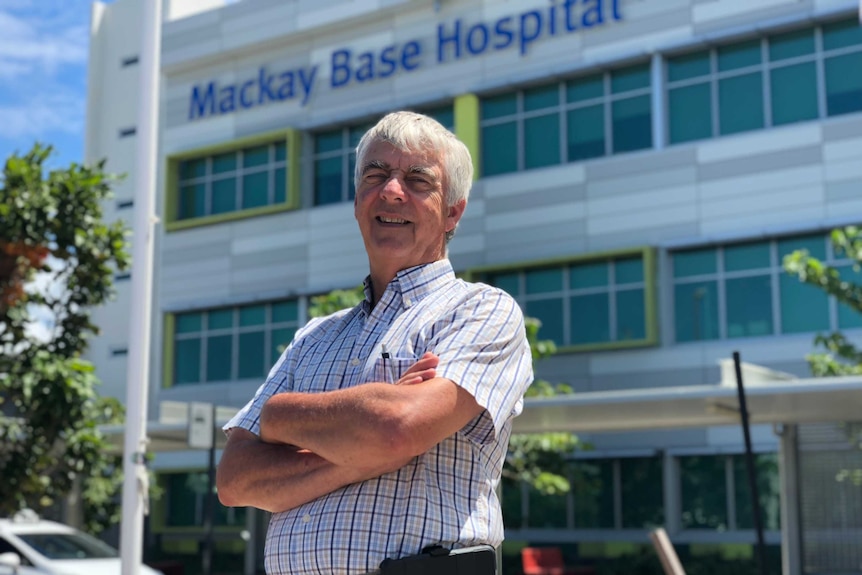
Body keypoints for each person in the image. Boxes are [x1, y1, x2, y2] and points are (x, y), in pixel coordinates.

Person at [216, 111, 533, 575]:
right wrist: (356, 452)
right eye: (376, 174)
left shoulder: (482, 311)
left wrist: (292, 421)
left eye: (418, 180)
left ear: (453, 211)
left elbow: (395, 429)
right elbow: (235, 479)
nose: (391, 190)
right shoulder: (314, 336)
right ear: (358, 198)